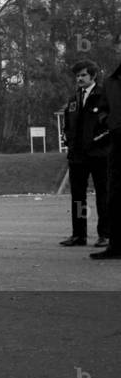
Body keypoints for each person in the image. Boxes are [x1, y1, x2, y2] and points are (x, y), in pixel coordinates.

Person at [60, 60, 110, 247]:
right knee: (78, 196)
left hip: (99, 154)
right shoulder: (74, 99)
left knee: (103, 194)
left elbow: (111, 123)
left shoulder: (104, 96)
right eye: (77, 76)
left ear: (93, 76)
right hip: (77, 156)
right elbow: (68, 123)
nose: (79, 79)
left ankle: (105, 234)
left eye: (83, 75)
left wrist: (100, 140)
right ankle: (78, 235)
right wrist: (68, 139)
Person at [91, 34, 121, 260]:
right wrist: (107, 121)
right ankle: (116, 246)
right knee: (115, 194)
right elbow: (102, 109)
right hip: (117, 143)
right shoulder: (111, 81)